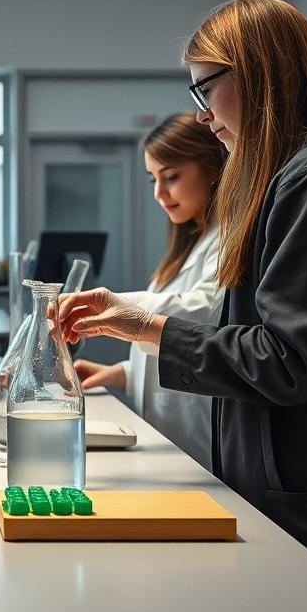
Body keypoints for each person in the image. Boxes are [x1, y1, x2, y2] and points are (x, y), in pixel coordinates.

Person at [54, 0, 307, 612]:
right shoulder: (291, 178)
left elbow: (283, 361)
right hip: (282, 495)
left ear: (260, 73)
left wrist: (147, 327)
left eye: (205, 90)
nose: (204, 117)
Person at [72, 112, 225, 469]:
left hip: (197, 443)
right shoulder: (190, 244)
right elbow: (170, 337)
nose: (159, 193)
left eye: (171, 177)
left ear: (213, 166)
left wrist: (118, 308)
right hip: (169, 438)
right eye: (153, 179)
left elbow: (204, 319)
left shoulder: (229, 239)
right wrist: (122, 373)